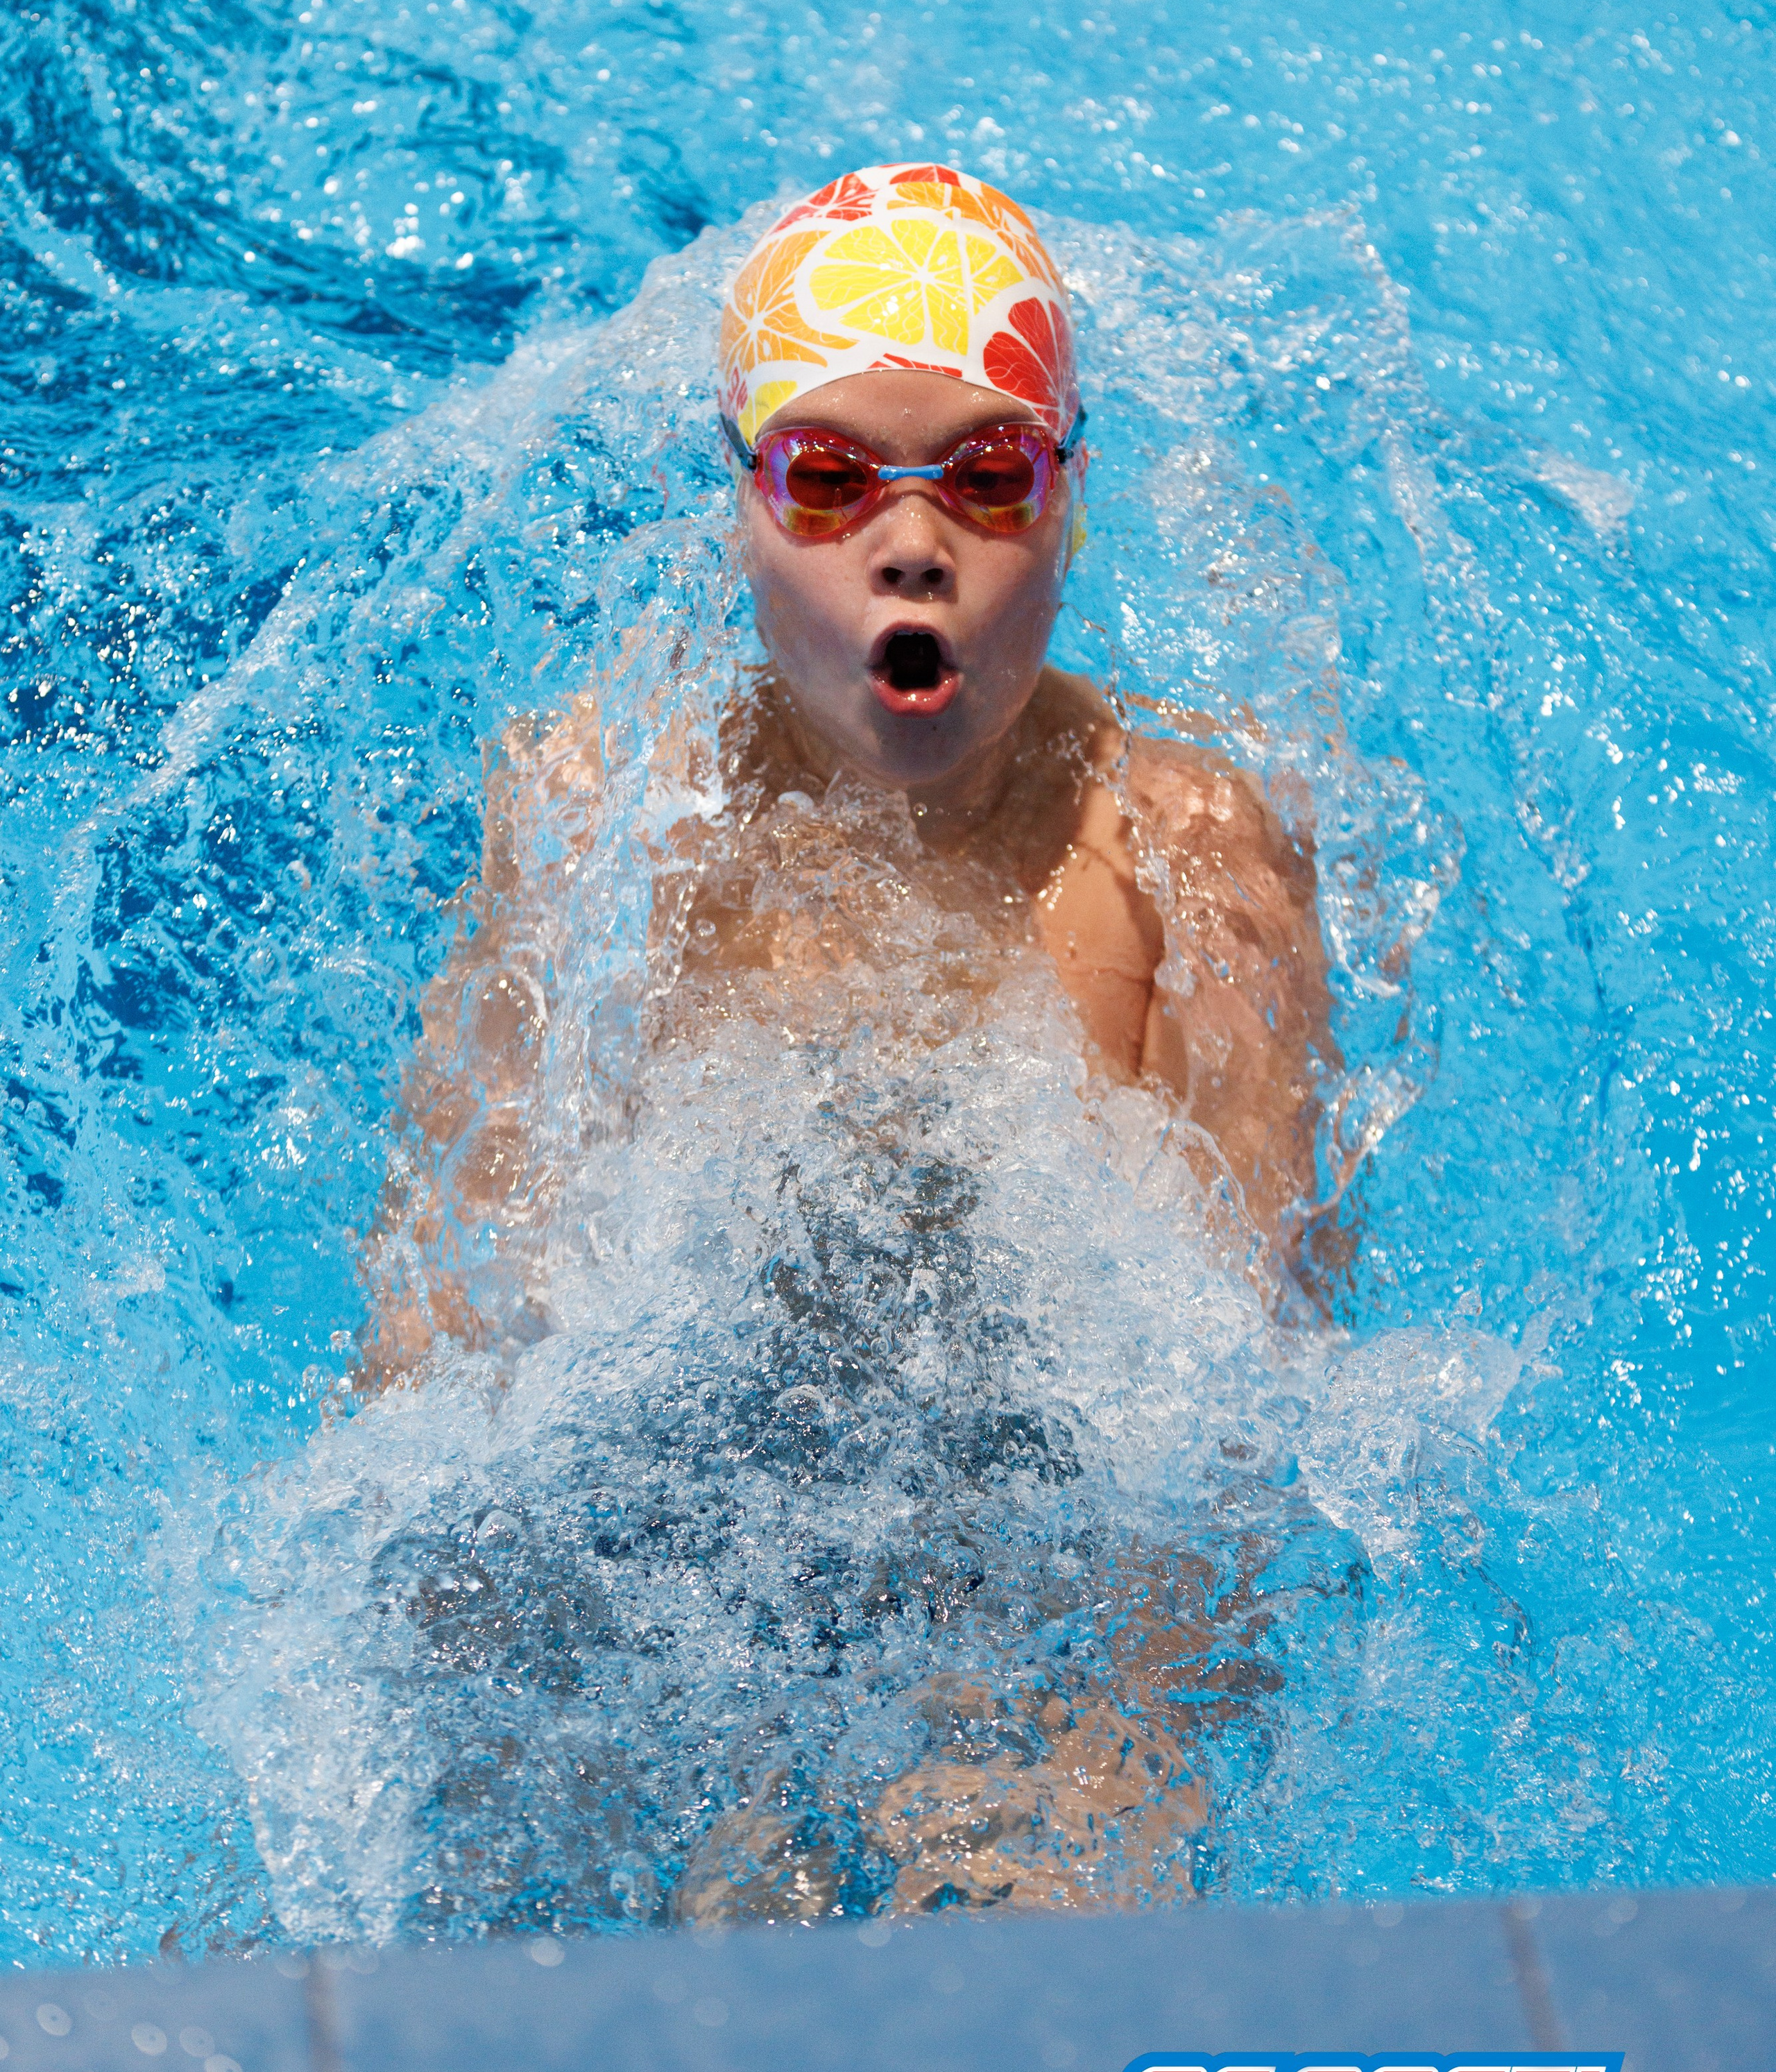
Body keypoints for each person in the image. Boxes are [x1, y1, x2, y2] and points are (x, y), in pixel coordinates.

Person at [364, 162, 1337, 1917]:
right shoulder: (599, 810)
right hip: (668, 1510)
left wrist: (1126, 1754)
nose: (911, 541)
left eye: (983, 474)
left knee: (1029, 1884)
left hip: (1026, 1538)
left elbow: (1250, 1418)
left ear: (1070, 504)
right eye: (827, 479)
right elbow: (443, 1336)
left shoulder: (1197, 858)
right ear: (740, 511)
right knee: (686, 1890)